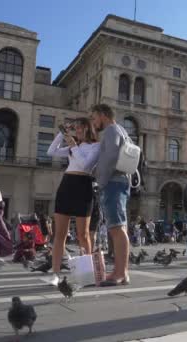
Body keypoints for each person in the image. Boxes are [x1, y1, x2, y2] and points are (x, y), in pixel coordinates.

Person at [47, 117, 100, 285]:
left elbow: (86, 166)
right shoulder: (73, 147)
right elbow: (51, 151)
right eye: (75, 128)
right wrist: (62, 134)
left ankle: (87, 274)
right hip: (67, 184)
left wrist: (73, 146)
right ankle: (55, 273)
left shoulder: (96, 146)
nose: (77, 131)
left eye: (80, 128)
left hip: (83, 186)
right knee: (59, 234)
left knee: (83, 235)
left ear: (88, 129)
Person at [90, 104, 133, 286]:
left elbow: (110, 158)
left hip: (113, 182)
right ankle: (123, 272)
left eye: (94, 118)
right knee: (119, 227)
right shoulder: (122, 130)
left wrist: (100, 181)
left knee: (117, 227)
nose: (93, 122)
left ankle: (119, 273)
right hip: (120, 181)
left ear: (102, 115)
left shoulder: (110, 131)